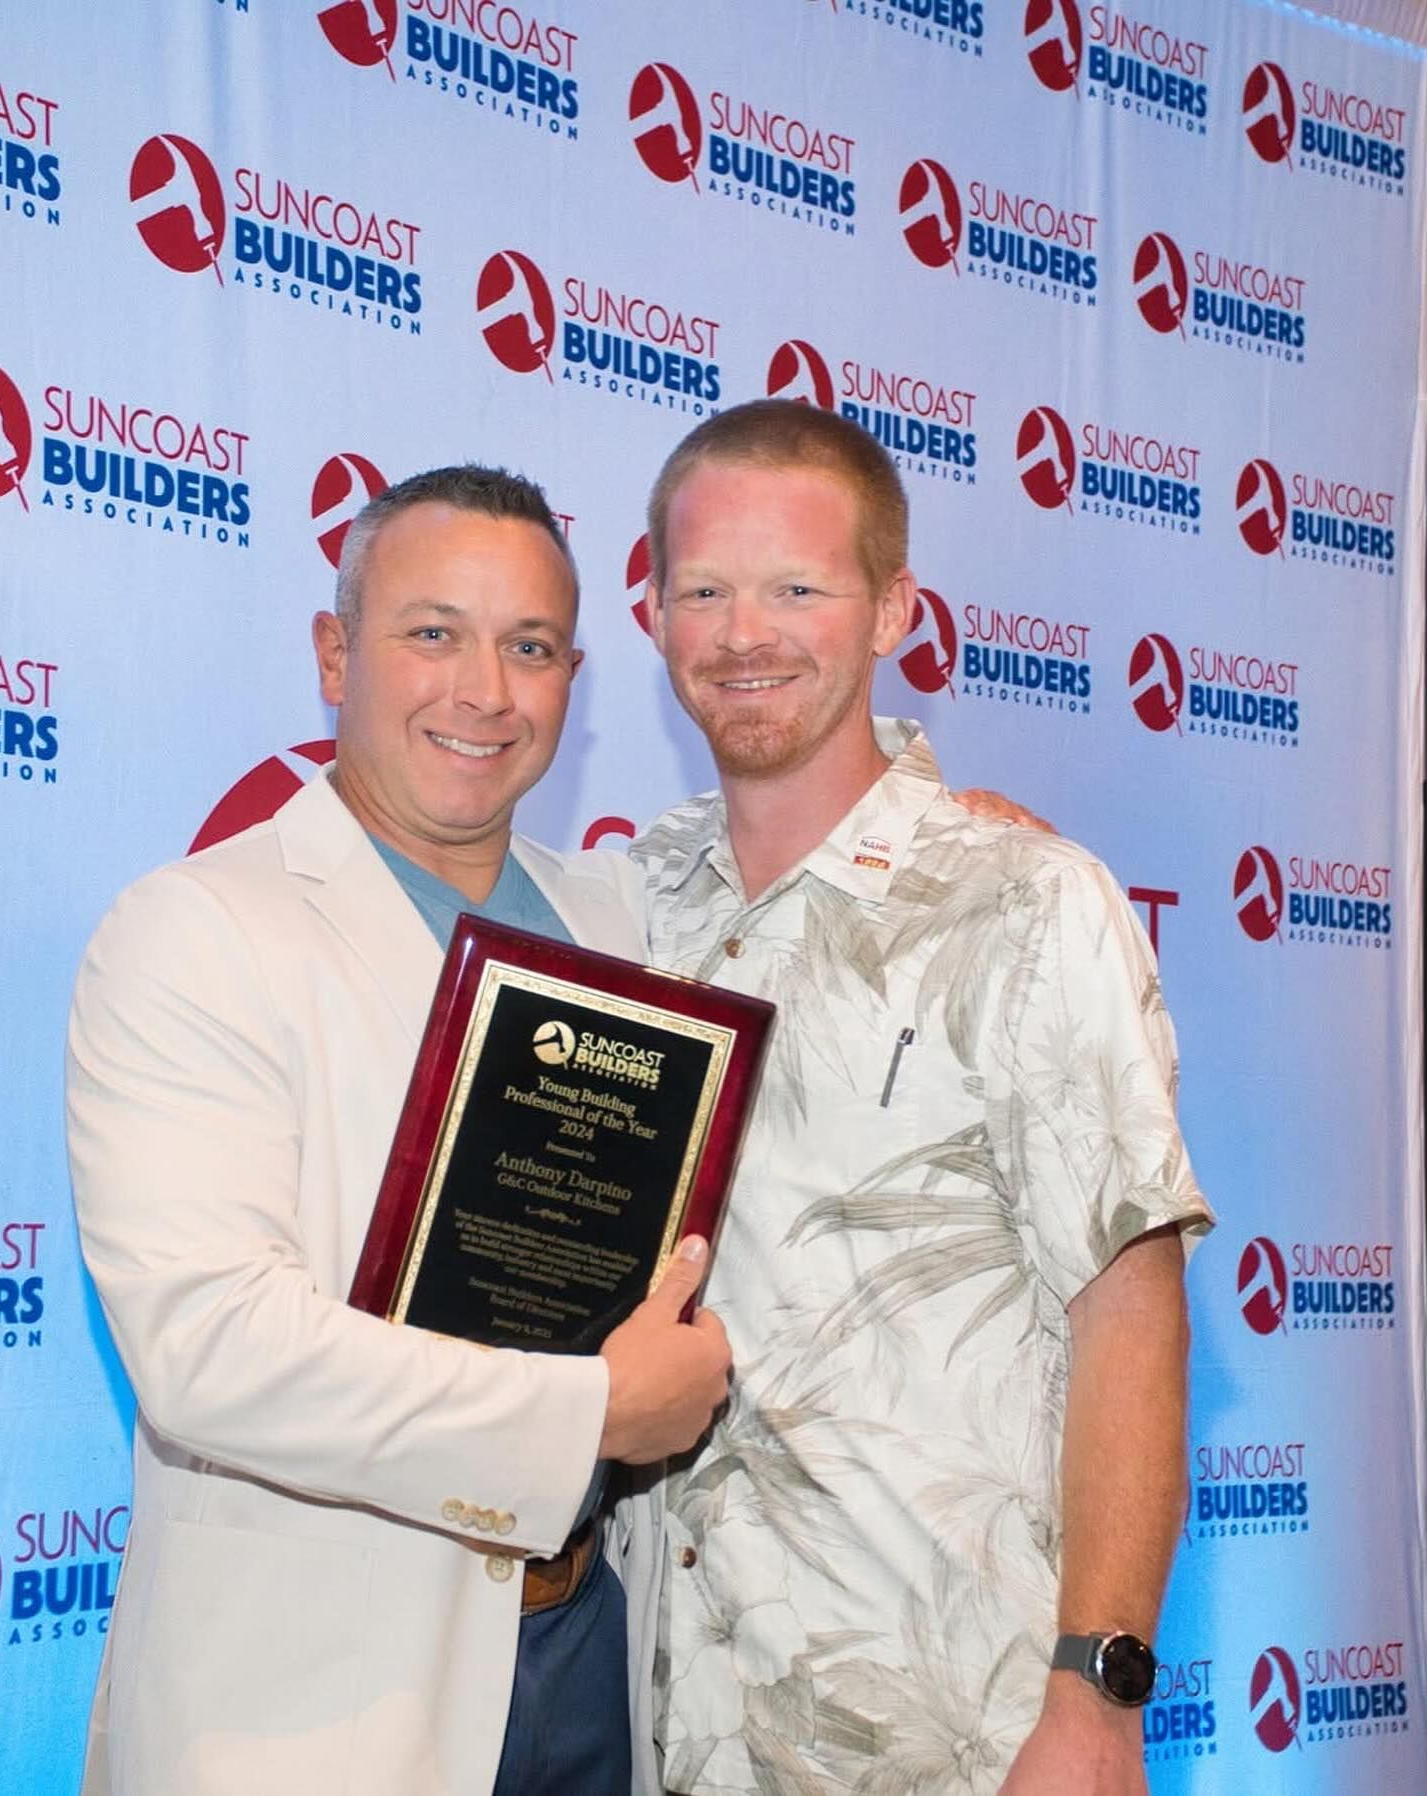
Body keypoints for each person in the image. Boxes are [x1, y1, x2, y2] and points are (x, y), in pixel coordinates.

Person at [64, 465, 732, 1796]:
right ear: (333, 653)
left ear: (575, 677)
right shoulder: (196, 932)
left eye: (530, 647)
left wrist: (932, 812)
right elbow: (211, 1349)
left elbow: (777, 859)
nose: (484, 690)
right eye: (433, 633)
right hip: (317, 1706)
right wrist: (595, 1411)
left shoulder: (614, 921)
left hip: (591, 1654)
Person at [630, 400, 1216, 1796]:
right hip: (681, 1730)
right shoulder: (626, 907)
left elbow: (1130, 1315)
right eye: (705, 589)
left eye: (797, 587)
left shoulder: (1026, 906)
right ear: (652, 615)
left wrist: (1100, 1699)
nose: (743, 630)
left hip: (962, 1738)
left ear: (893, 606)